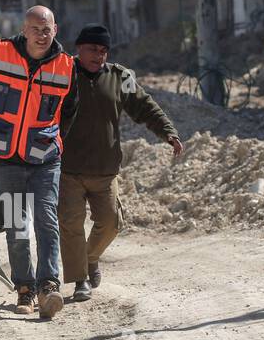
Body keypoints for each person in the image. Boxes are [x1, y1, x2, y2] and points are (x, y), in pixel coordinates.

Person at [0, 5, 78, 319]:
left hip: (45, 158)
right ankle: (25, 289)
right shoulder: (0, 52)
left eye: (47, 30)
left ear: (54, 29)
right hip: (4, 157)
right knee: (17, 225)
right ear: (24, 30)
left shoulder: (66, 66)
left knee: (46, 219)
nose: (41, 36)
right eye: (35, 29)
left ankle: (48, 285)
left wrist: (55, 142)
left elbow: (69, 112)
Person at [59, 23, 182, 302]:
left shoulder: (121, 76)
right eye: (92, 49)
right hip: (68, 168)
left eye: (103, 51)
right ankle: (80, 281)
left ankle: (90, 258)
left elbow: (145, 106)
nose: (98, 55)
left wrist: (168, 133)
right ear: (79, 48)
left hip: (105, 169)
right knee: (71, 224)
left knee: (112, 222)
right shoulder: (62, 74)